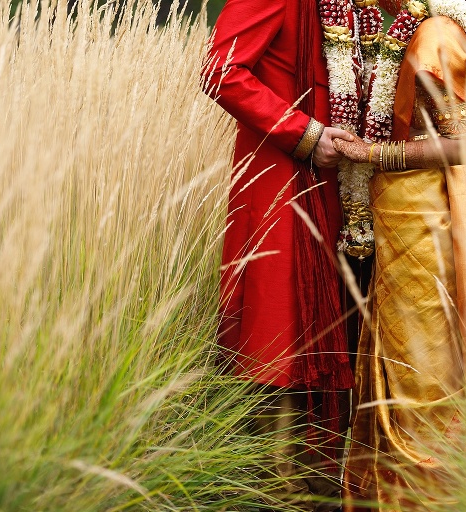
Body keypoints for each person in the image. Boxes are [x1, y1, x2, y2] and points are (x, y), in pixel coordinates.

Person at [331, 0, 466, 509]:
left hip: (428, 222)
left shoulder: (435, 33)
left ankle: (428, 495)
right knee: (411, 361)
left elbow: (461, 146)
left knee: (422, 373)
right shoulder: (433, 28)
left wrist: (370, 153)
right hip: (412, 216)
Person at [202, 0, 358, 510]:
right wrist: (303, 134)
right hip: (281, 179)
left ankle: (321, 481)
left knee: (326, 330)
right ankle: (276, 487)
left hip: (333, 185)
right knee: (278, 330)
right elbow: (222, 70)